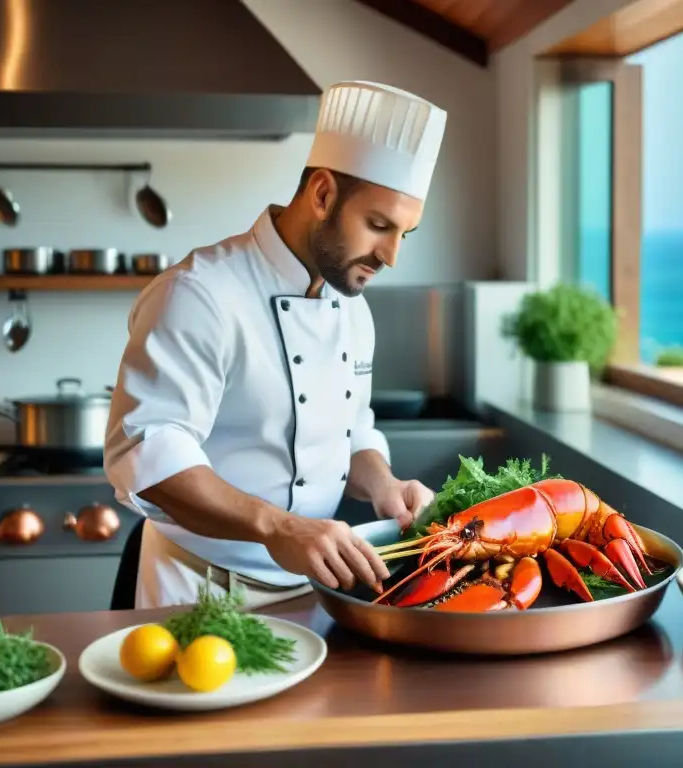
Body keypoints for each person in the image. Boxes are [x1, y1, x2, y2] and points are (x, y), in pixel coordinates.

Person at [103, 81, 447, 610]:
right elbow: (149, 453)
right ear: (323, 194)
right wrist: (279, 528)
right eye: (378, 225)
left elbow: (350, 434)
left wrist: (384, 485)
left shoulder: (352, 308)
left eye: (406, 233)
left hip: (313, 595)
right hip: (197, 593)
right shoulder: (200, 294)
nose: (392, 255)